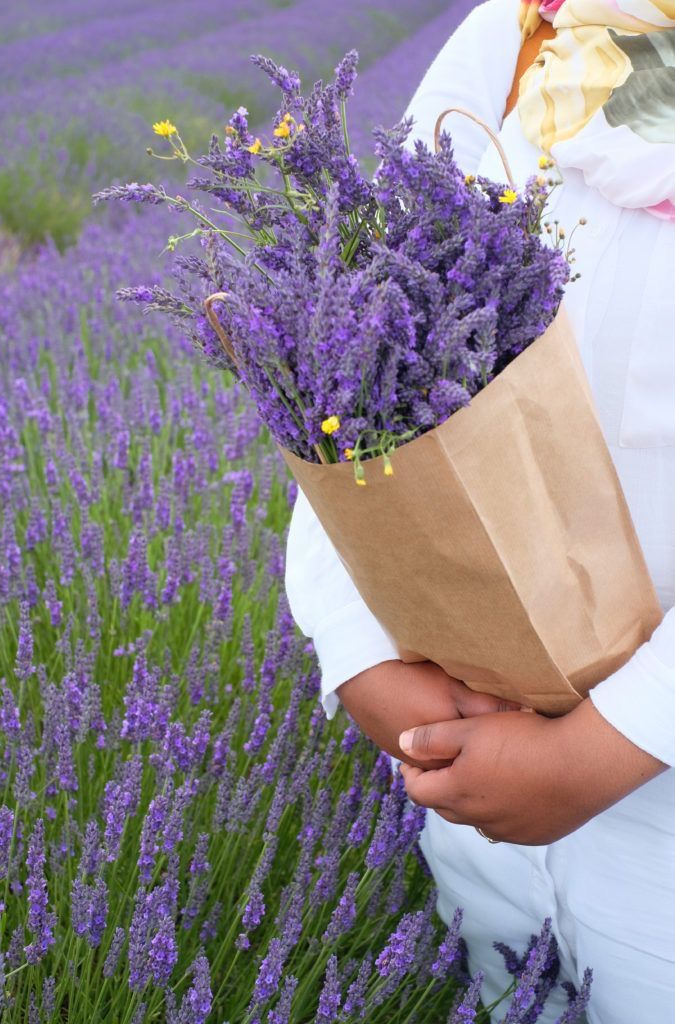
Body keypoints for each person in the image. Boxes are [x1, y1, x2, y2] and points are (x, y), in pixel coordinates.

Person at [284, 0, 675, 1020]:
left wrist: (611, 742)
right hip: (473, 789)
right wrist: (362, 646)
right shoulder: (515, 37)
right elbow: (354, 345)